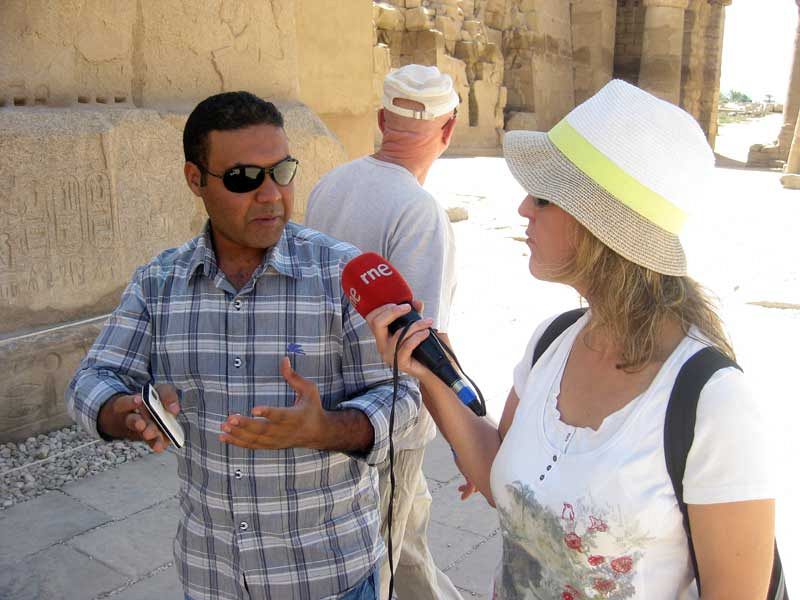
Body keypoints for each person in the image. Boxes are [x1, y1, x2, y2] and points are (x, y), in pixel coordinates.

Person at [364, 80, 776, 599]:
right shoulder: (551, 342)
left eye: (542, 196)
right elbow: (498, 473)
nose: (522, 210)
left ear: (596, 226)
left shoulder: (713, 402)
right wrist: (425, 375)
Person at [66, 91, 421, 600]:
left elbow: (404, 395)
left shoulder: (341, 275)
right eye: (244, 179)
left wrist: (328, 428)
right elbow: (89, 380)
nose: (272, 194)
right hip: (211, 577)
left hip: (328, 580)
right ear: (196, 180)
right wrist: (125, 412)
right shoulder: (159, 283)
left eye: (282, 171)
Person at [305, 64, 463, 600]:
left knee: (408, 526)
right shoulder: (419, 211)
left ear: (380, 120)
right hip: (383, 421)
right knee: (380, 556)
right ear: (448, 131)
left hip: (330, 405)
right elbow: (421, 349)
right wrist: (469, 444)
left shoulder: (330, 184)